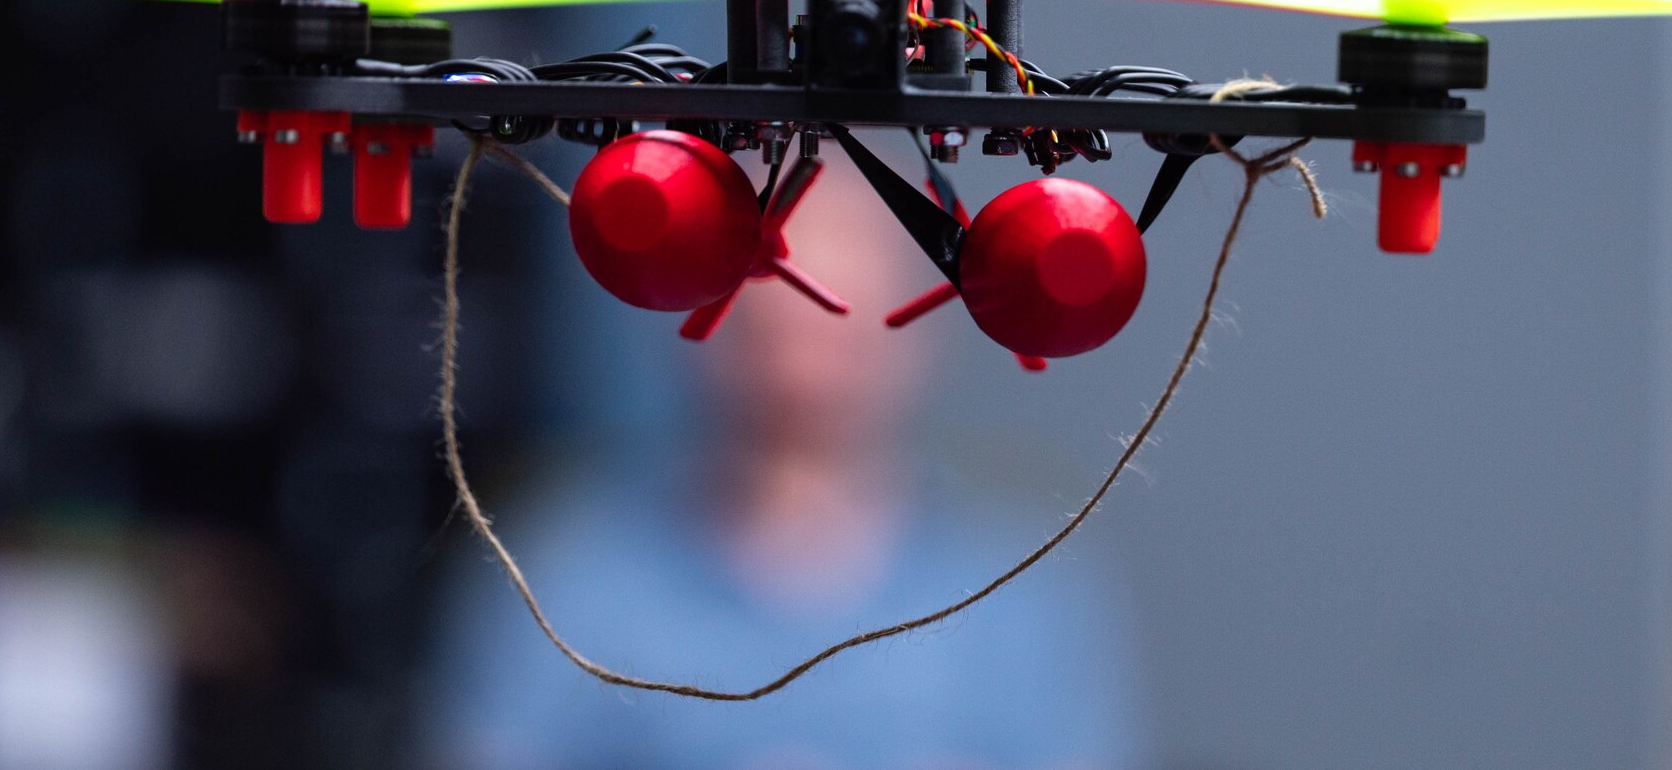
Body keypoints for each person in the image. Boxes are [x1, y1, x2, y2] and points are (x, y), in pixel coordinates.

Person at [417, 148, 1143, 769]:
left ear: (919, 337)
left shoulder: (1021, 605)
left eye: (841, 333)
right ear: (705, 332)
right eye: (775, 329)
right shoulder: (566, 581)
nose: (805, 369)